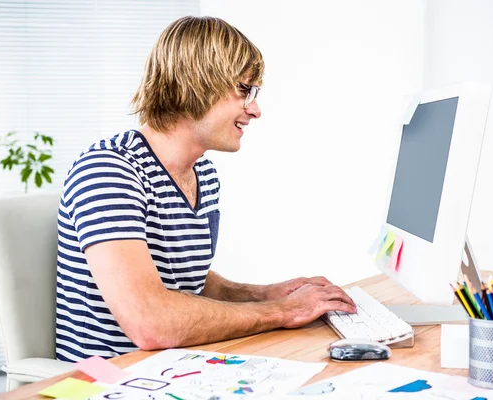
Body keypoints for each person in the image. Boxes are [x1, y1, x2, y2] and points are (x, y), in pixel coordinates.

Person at [55, 16, 356, 362]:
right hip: (106, 380)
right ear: (196, 83)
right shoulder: (110, 170)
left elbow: (186, 281)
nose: (255, 109)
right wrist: (282, 312)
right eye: (244, 90)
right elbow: (151, 323)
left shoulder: (204, 174)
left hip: (174, 368)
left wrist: (265, 295)